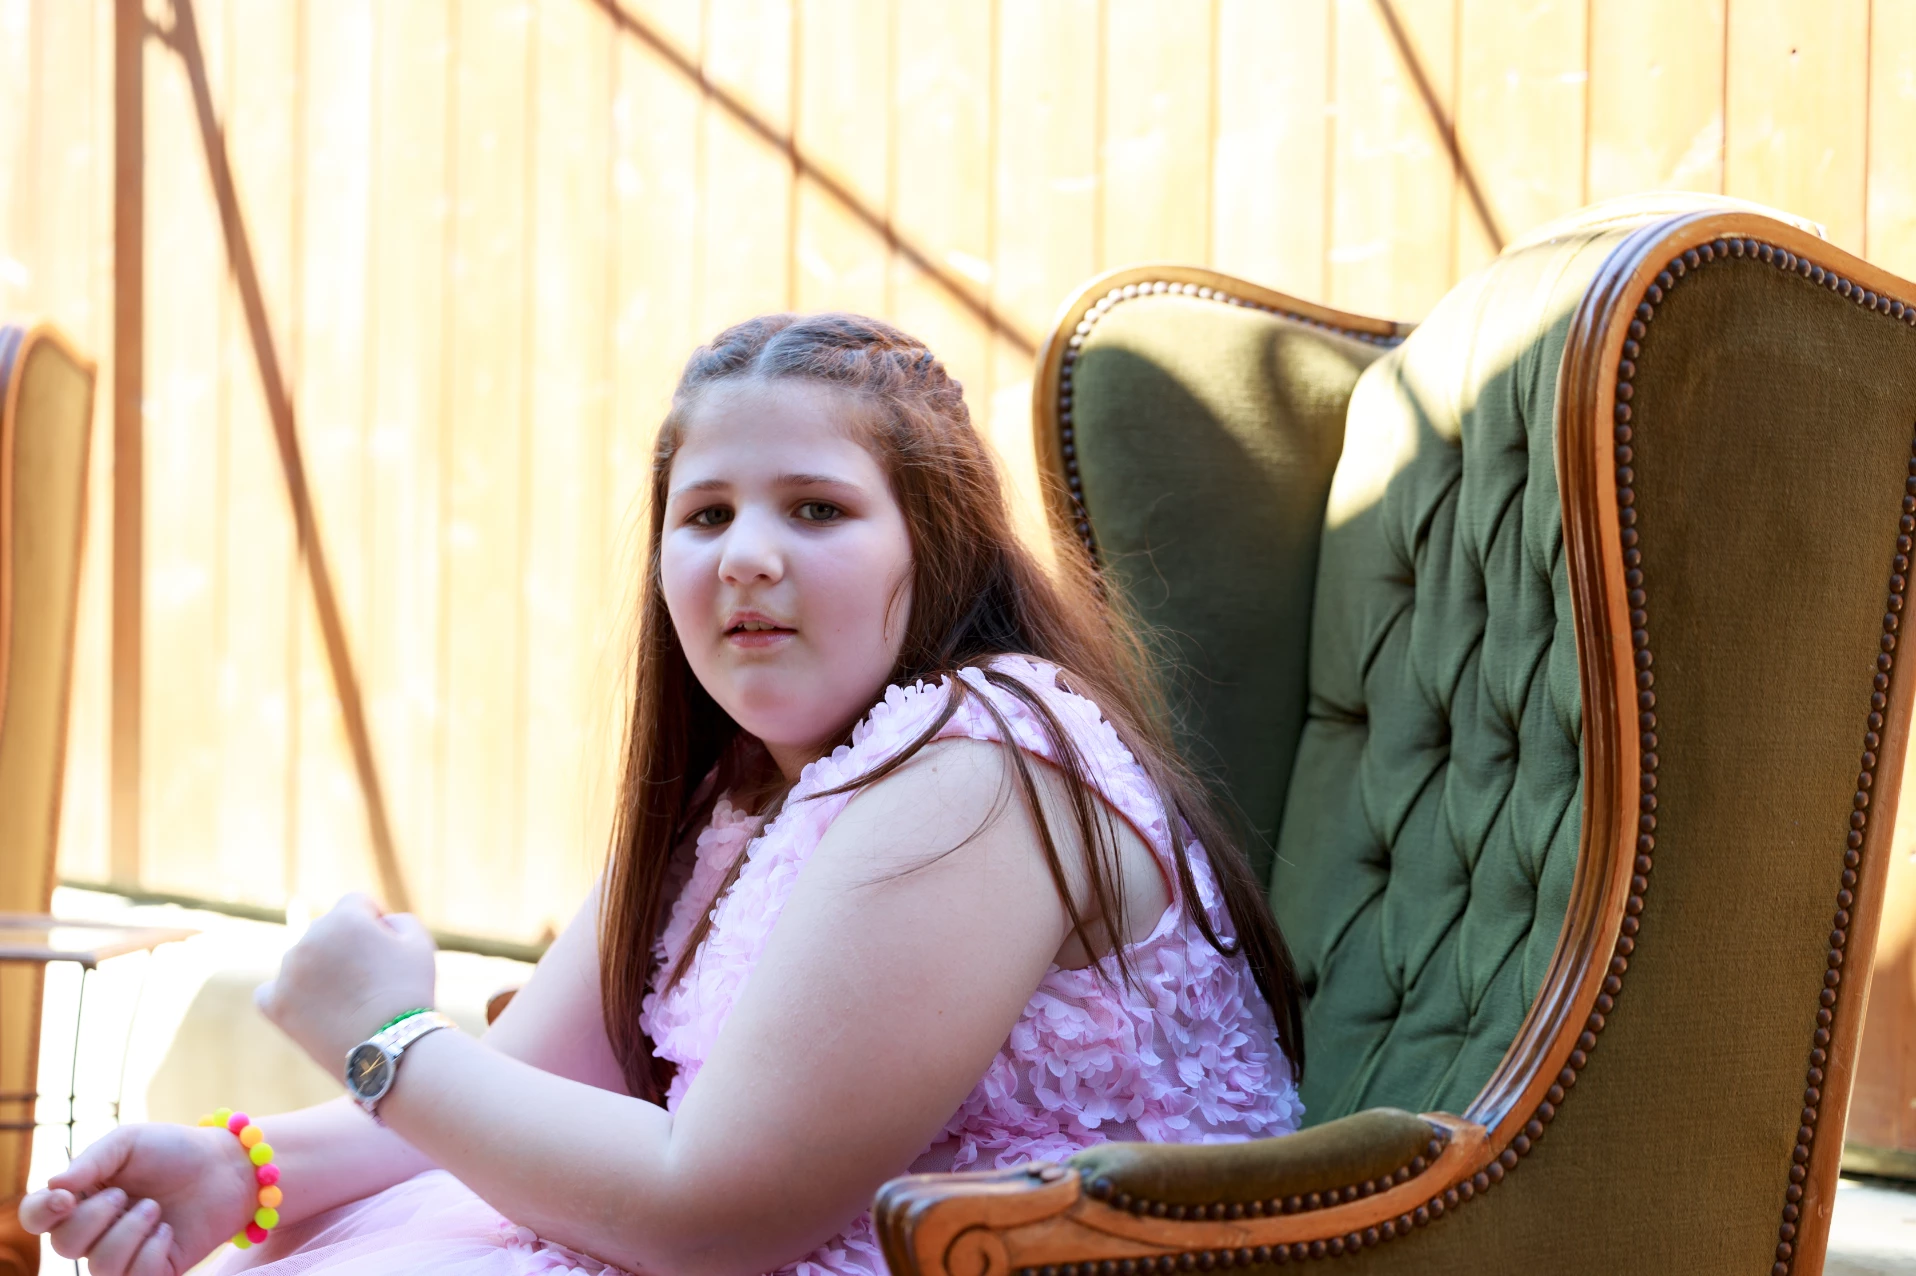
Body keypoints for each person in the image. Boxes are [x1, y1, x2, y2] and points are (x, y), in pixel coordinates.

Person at [17, 314, 1306, 1276]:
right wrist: (241, 1170)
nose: (747, 556)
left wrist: (385, 1036)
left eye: (816, 509)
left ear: (941, 543)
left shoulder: (985, 763)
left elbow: (712, 1211)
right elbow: (517, 1091)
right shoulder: (740, 797)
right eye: (706, 515)